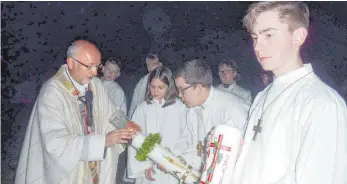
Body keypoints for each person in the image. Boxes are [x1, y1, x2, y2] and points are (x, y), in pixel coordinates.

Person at [232, 2, 347, 184]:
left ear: (298, 37)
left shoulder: (322, 103)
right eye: (255, 37)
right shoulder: (263, 95)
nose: (257, 47)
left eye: (269, 35)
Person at [15, 40, 136, 184]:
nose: (95, 72)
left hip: (93, 168)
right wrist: (103, 141)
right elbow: (55, 143)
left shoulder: (95, 85)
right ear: (71, 62)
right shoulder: (52, 93)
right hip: (66, 174)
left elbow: (113, 114)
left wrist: (135, 132)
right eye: (89, 66)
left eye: (97, 66)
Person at [174, 59, 250, 171]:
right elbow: (198, 149)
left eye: (182, 90)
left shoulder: (234, 109)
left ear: (199, 87)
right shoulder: (192, 110)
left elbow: (246, 155)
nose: (179, 95)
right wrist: (178, 161)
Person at [127, 66, 188, 184]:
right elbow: (134, 139)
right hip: (148, 168)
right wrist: (144, 166)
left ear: (169, 86)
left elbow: (186, 136)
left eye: (161, 87)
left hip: (171, 165)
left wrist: (171, 156)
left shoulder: (181, 108)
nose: (155, 91)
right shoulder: (142, 109)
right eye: (152, 87)